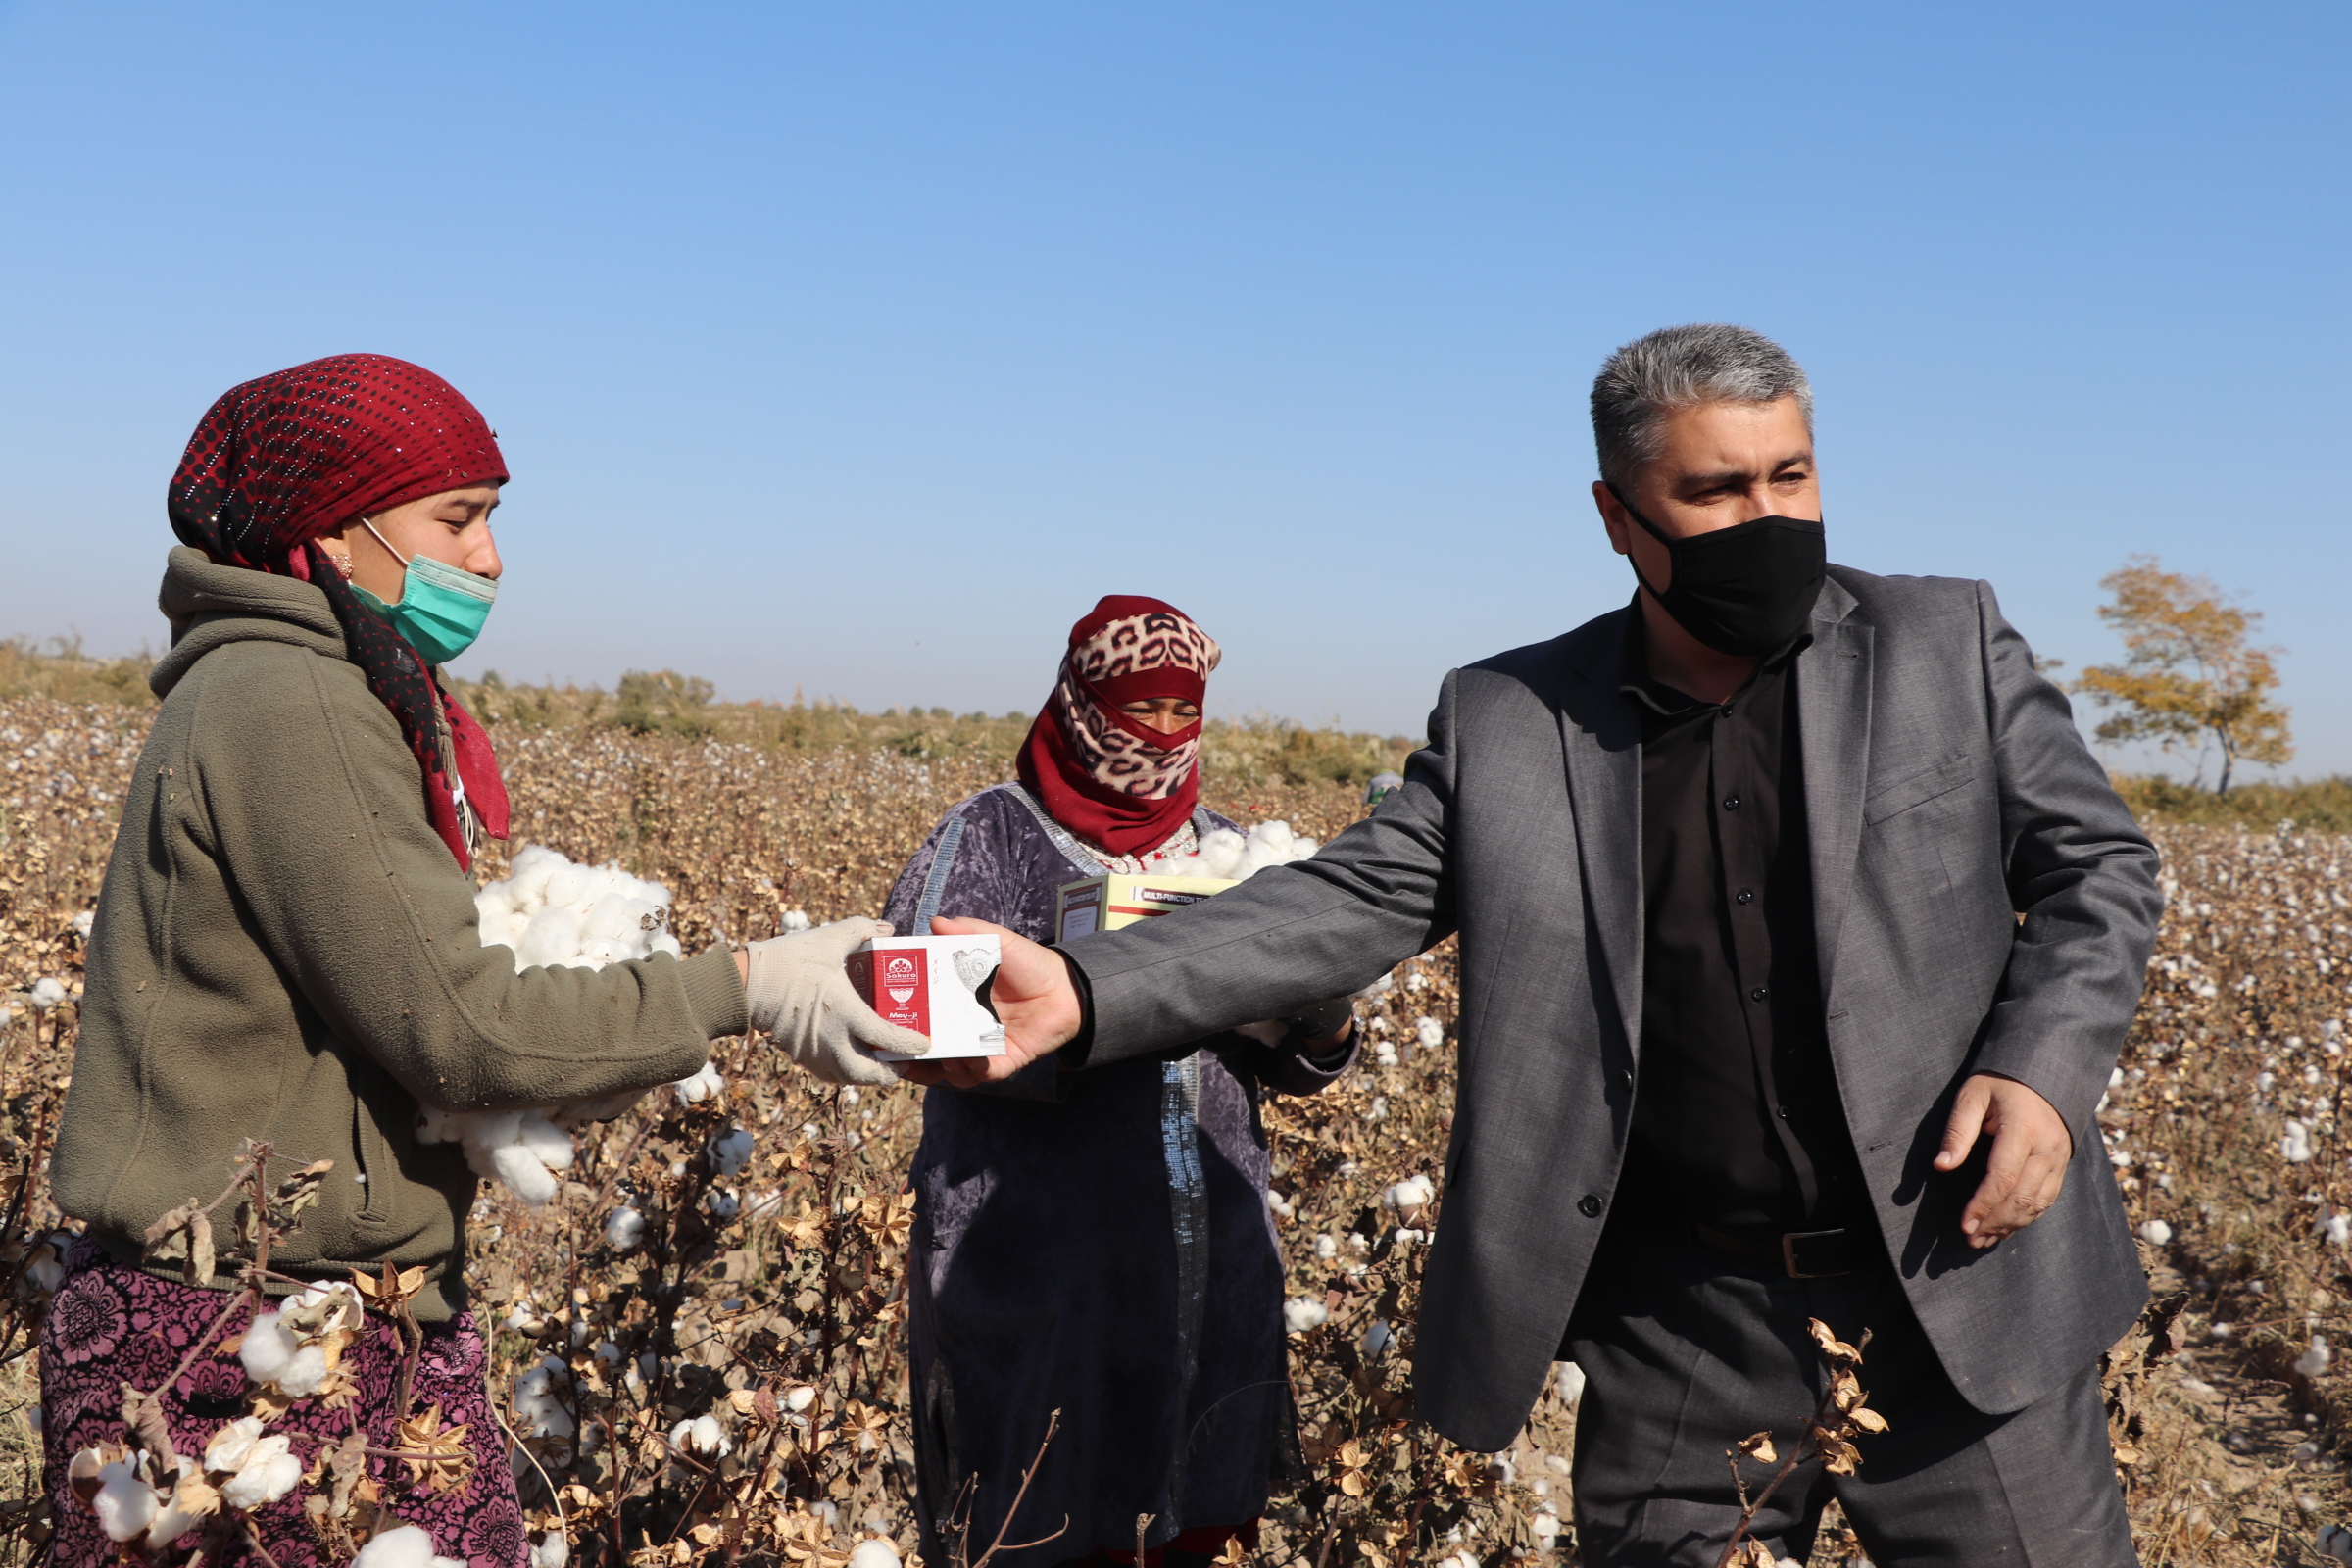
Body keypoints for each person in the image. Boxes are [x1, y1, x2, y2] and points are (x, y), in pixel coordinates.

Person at [940, 328, 2163, 1565]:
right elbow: (1345, 899)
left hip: (1953, 1286)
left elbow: (2098, 867)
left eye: (1790, 476)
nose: (1769, 517)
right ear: (1618, 516)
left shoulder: (1942, 644)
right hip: (1680, 1333)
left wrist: (2043, 1073)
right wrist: (1090, 989)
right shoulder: (1512, 719)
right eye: (1716, 491)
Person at [44, 353, 926, 1567]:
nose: (491, 559)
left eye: (492, 522)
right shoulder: (288, 698)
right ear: (334, 534)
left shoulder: (290, 684)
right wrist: (749, 985)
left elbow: (391, 982)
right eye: (457, 521)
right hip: (240, 1336)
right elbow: (462, 1030)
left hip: (297, 1320)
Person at [877, 596, 1356, 1567]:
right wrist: (1088, 1011)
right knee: (1037, 1520)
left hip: (1209, 1278)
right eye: (1141, 709)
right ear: (1082, 698)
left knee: (1194, 1521)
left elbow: (1310, 1060)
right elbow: (907, 1013)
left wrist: (1323, 1006)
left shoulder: (1236, 855)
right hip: (1033, 1277)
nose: (1163, 737)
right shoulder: (990, 839)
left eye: (1187, 714)